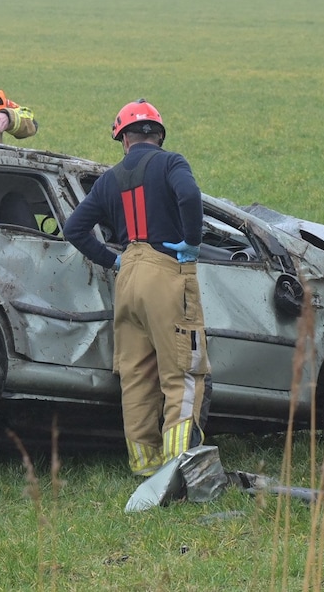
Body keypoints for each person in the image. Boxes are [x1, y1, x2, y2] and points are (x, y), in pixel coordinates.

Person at [63, 99, 209, 477]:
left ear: (123, 139)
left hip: (127, 277)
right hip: (167, 272)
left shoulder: (109, 179)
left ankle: (144, 468)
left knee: (136, 377)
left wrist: (112, 261)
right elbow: (190, 197)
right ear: (158, 135)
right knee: (182, 374)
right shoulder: (172, 162)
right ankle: (178, 467)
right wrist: (192, 242)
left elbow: (74, 229)